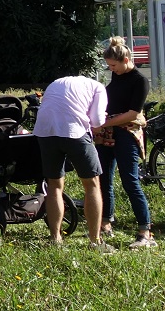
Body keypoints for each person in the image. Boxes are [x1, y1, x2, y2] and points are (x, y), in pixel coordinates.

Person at [33, 75, 110, 250]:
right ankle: (95, 241)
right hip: (74, 132)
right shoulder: (98, 87)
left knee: (54, 185)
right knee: (92, 184)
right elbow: (97, 121)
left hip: (45, 131)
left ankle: (55, 238)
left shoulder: (56, 82)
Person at [93, 37, 156, 249]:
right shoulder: (116, 74)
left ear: (126, 60)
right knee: (103, 179)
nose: (112, 70)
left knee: (130, 181)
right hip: (108, 132)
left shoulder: (140, 80)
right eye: (109, 66)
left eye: (113, 65)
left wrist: (106, 121)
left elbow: (133, 113)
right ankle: (106, 223)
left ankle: (145, 231)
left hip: (127, 133)